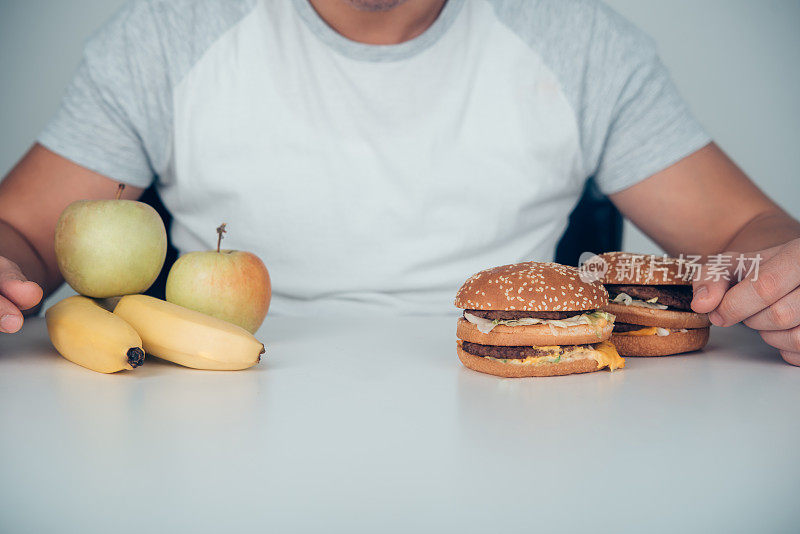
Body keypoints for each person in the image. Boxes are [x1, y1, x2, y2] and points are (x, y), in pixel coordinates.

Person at [1, 0, 799, 364]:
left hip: (516, 417)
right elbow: (28, 233)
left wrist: (785, 274)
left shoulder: (583, 41)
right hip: (215, 394)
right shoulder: (163, 36)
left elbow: (745, 233)